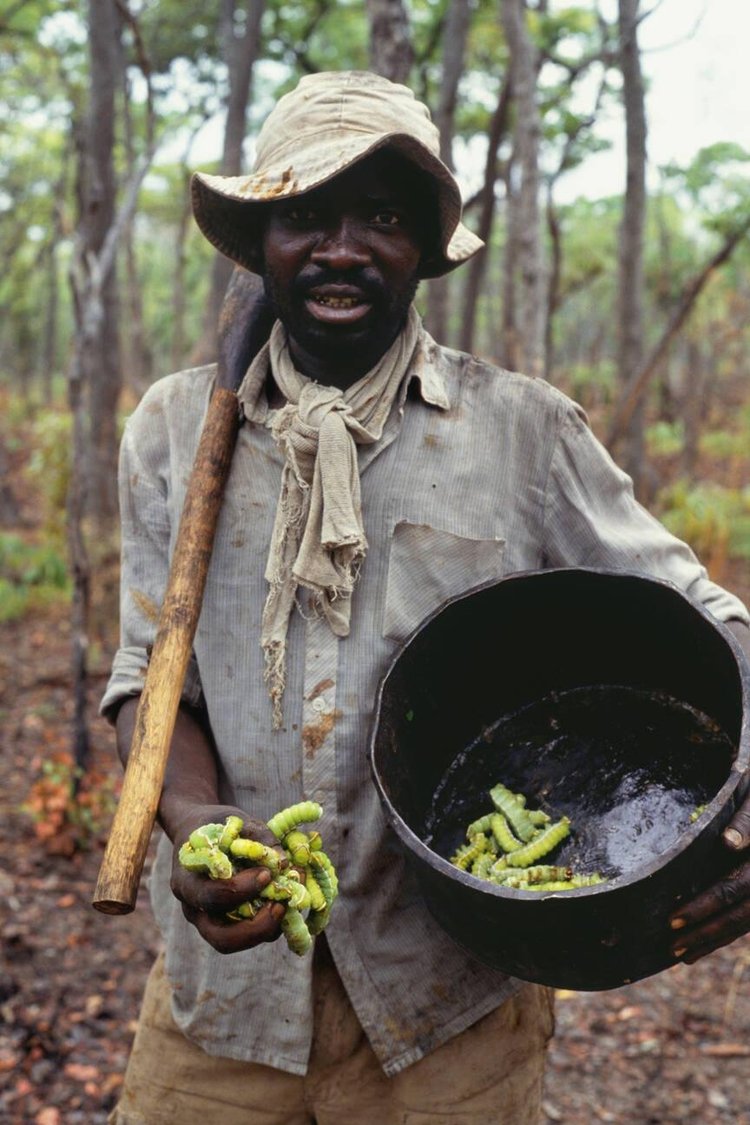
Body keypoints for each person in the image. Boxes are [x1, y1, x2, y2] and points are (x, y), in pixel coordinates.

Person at [102, 71, 750, 1124]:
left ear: (424, 248)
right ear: (260, 238)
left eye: (385, 217)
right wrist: (192, 818)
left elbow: (702, 611)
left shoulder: (520, 431)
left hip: (449, 1008)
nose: (343, 247)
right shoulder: (175, 434)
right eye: (306, 214)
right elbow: (149, 676)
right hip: (221, 1012)